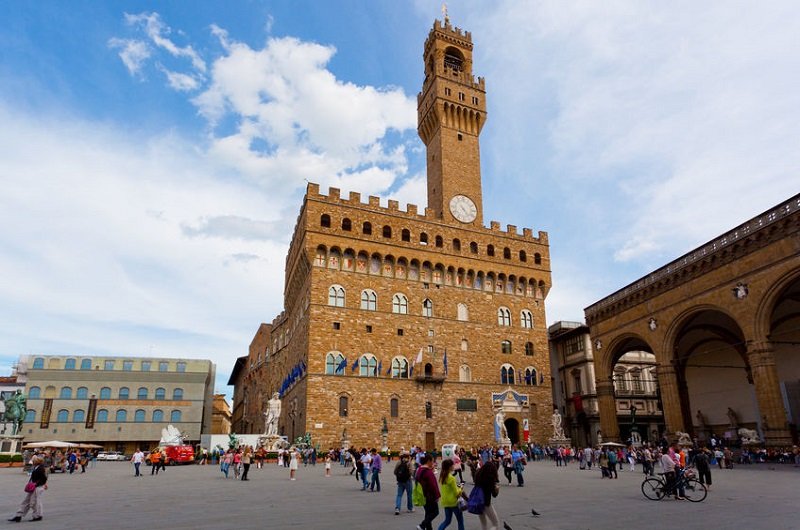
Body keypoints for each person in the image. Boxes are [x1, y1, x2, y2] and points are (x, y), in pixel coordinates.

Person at [8, 455, 47, 522]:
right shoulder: (36, 467)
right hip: (33, 486)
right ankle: (19, 515)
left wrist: (37, 484)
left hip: (37, 487)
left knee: (34, 502)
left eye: (34, 460)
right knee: (26, 501)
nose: (33, 461)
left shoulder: (41, 468)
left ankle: (38, 515)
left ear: (38, 461)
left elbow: (44, 478)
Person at [437, 459, 464, 530]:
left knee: (447, 521)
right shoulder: (451, 478)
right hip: (453, 502)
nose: (454, 466)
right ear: (449, 467)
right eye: (452, 465)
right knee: (460, 520)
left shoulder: (442, 476)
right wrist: (461, 488)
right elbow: (456, 493)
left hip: (445, 502)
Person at [474, 457, 500, 530]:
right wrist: (497, 489)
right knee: (496, 524)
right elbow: (494, 494)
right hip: (486, 503)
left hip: (478, 502)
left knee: (483, 524)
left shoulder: (478, 475)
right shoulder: (490, 478)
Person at [416, 454, 440, 530]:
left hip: (423, 494)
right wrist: (437, 496)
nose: (433, 463)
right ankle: (422, 525)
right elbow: (433, 485)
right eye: (432, 461)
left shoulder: (419, 469)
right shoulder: (428, 472)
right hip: (430, 495)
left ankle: (428, 528)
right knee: (435, 512)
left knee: (428, 512)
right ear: (429, 461)